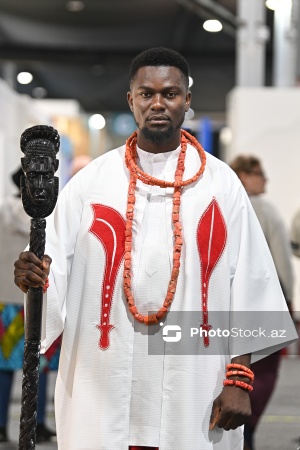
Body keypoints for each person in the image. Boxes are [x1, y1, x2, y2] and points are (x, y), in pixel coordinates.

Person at [14, 47, 297, 450]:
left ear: (187, 100)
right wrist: (33, 277)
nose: (158, 103)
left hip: (195, 380)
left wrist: (239, 380)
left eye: (171, 93)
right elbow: (50, 269)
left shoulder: (221, 184)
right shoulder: (92, 182)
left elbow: (248, 281)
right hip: (103, 376)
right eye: (147, 94)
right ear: (131, 100)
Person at [230, 155, 294, 450]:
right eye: (259, 173)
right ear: (242, 176)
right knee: (263, 373)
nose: (265, 179)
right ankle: (248, 433)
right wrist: (289, 304)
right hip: (266, 304)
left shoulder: (223, 204)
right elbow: (283, 262)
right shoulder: (265, 210)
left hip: (226, 306)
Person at [0, 167, 58, 443]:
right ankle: (39, 424)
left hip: (4, 299)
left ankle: (1, 423)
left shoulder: (2, 210)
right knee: (40, 359)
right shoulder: (41, 215)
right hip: (31, 300)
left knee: (4, 365)